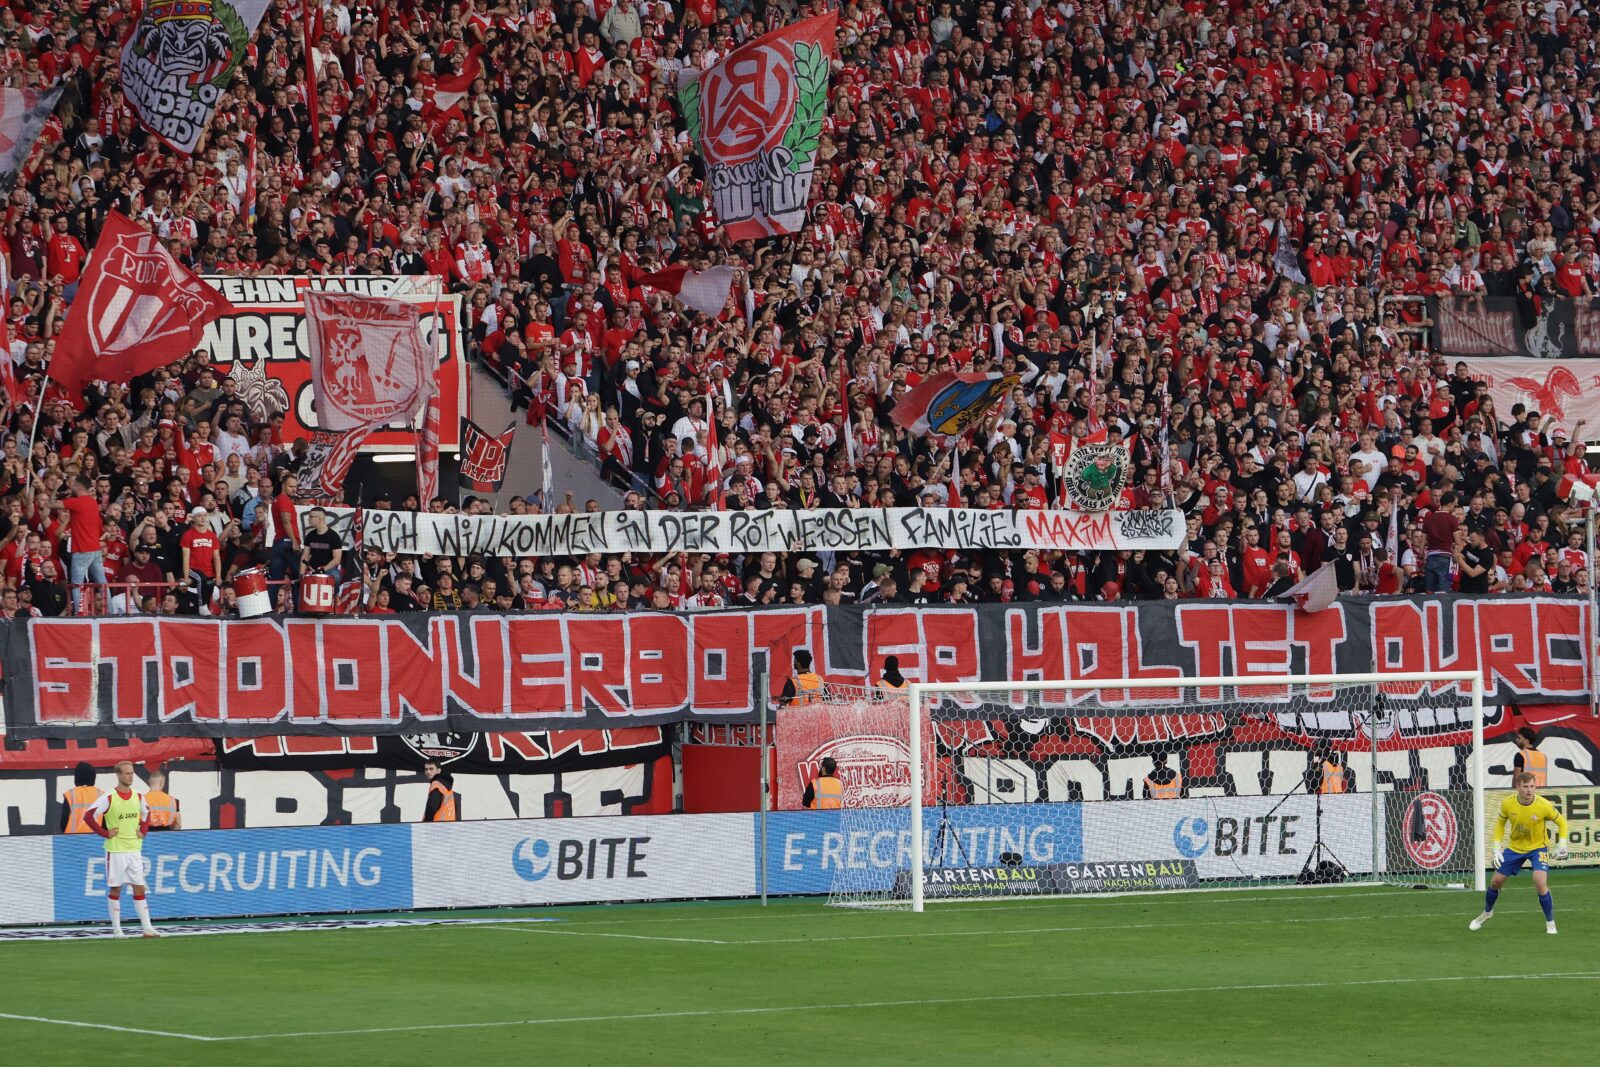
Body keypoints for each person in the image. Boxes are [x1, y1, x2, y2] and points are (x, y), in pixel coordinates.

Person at [1470, 772, 1569, 934]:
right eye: (1525, 787)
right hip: (1515, 848)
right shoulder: (1508, 804)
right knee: (1495, 882)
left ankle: (1550, 922)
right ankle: (1487, 912)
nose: (1529, 790)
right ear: (1518, 787)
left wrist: (1562, 843)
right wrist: (1496, 848)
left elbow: (1562, 822)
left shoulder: (1543, 805)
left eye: (1532, 786)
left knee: (1540, 882)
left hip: (1538, 847)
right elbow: (1500, 824)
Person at [81, 760, 160, 938]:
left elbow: (147, 814)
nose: (131, 776)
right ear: (118, 775)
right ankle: (117, 930)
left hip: (134, 849)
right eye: (127, 773)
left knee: (139, 888)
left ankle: (147, 928)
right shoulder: (109, 797)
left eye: (132, 773)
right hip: (116, 850)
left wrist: (143, 830)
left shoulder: (138, 796)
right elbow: (89, 816)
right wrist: (104, 832)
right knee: (116, 889)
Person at [179, 506, 222, 615]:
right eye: (199, 516)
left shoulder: (212, 536)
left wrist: (218, 576)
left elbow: (216, 557)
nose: (202, 518)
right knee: (201, 578)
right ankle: (202, 605)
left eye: (204, 515)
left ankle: (204, 608)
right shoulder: (188, 535)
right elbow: (185, 557)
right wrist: (186, 577)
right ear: (193, 518)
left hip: (208, 570)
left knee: (209, 590)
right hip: (192, 569)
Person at [60, 761, 100, 833]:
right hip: (97, 840)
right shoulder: (101, 795)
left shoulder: (71, 794)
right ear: (93, 778)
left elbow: (64, 822)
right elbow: (106, 822)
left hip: (73, 840)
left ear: (77, 777)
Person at [144, 765, 181, 831]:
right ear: (161, 783)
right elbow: (178, 824)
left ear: (149, 783)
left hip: (147, 835)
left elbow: (135, 824)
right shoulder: (173, 800)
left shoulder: (141, 800)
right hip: (166, 835)